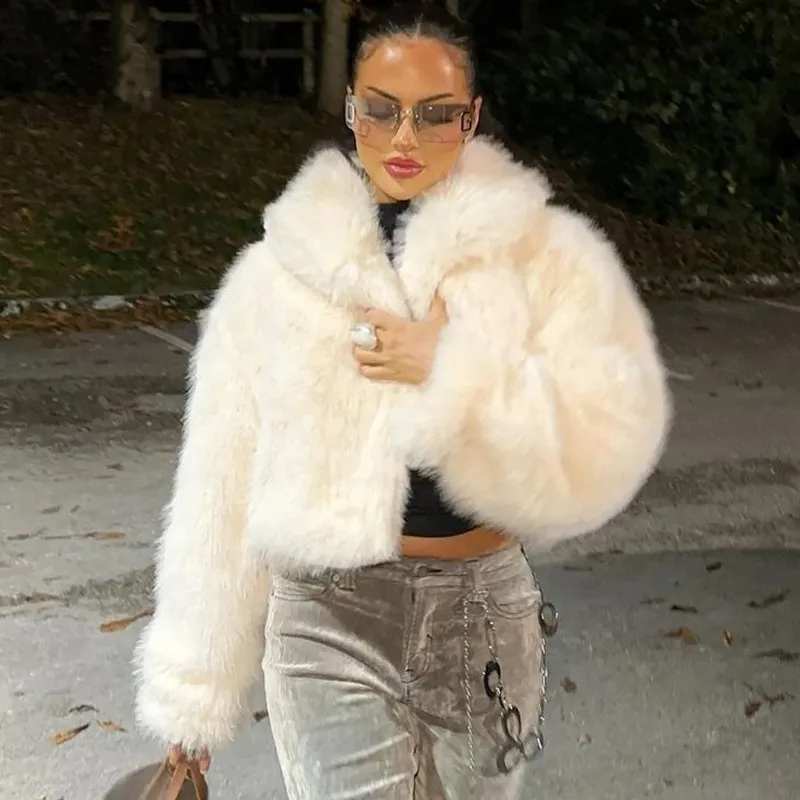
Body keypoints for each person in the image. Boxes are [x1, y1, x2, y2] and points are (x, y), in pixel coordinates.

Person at [134, 4, 671, 798]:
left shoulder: (544, 258)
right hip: (327, 620)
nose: (405, 137)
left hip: (481, 614)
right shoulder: (276, 274)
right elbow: (219, 482)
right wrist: (195, 689)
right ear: (352, 110)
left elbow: (607, 444)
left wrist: (454, 369)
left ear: (472, 117)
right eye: (382, 110)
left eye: (436, 113)